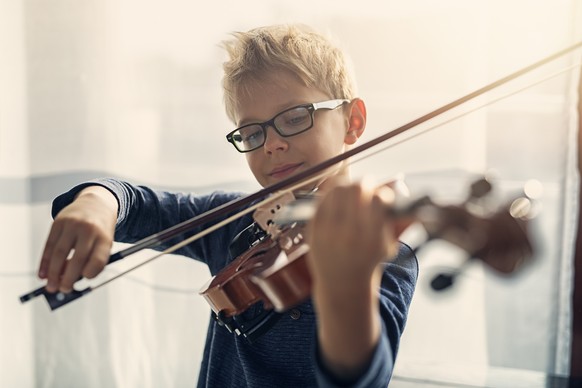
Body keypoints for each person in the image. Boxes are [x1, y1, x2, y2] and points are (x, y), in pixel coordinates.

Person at [37, 23, 418, 387]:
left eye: (295, 118)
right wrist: (96, 202)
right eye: (252, 132)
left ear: (352, 121)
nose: (271, 144)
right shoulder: (242, 223)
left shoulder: (382, 251)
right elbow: (142, 205)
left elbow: (361, 377)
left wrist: (349, 282)